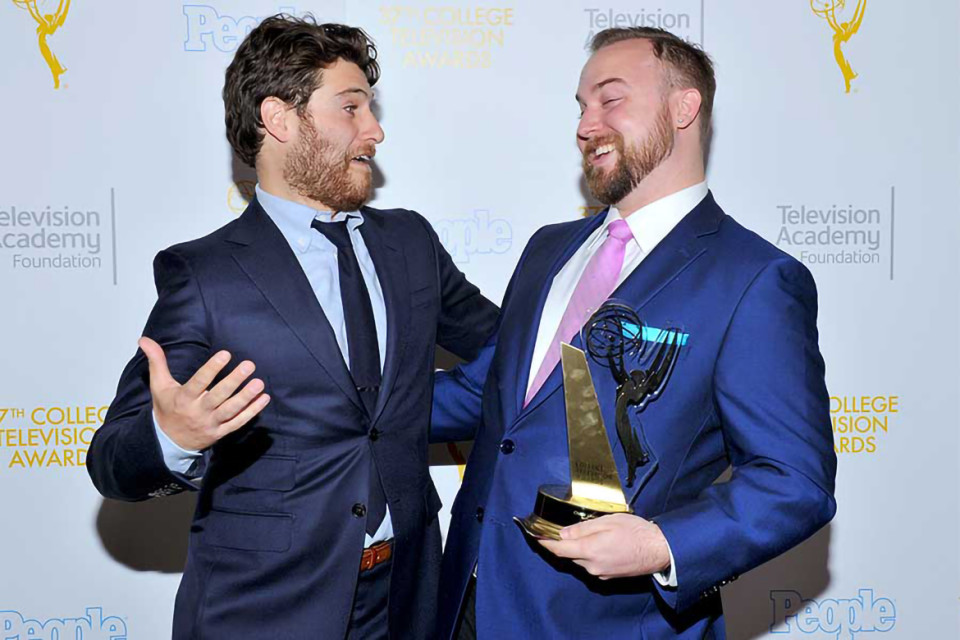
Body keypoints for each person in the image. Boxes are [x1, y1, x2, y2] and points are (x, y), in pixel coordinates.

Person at [87, 15, 497, 640]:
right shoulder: (206, 274)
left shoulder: (410, 243)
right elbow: (113, 461)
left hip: (407, 597)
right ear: (279, 119)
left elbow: (512, 349)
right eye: (351, 108)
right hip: (266, 610)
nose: (375, 131)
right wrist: (173, 434)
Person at [430, 26, 837, 639]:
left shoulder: (753, 280)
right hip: (467, 603)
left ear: (683, 107)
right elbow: (485, 396)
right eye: (581, 106)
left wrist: (661, 543)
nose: (585, 124)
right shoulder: (548, 250)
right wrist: (325, 399)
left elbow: (794, 482)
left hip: (611, 622)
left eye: (609, 99)